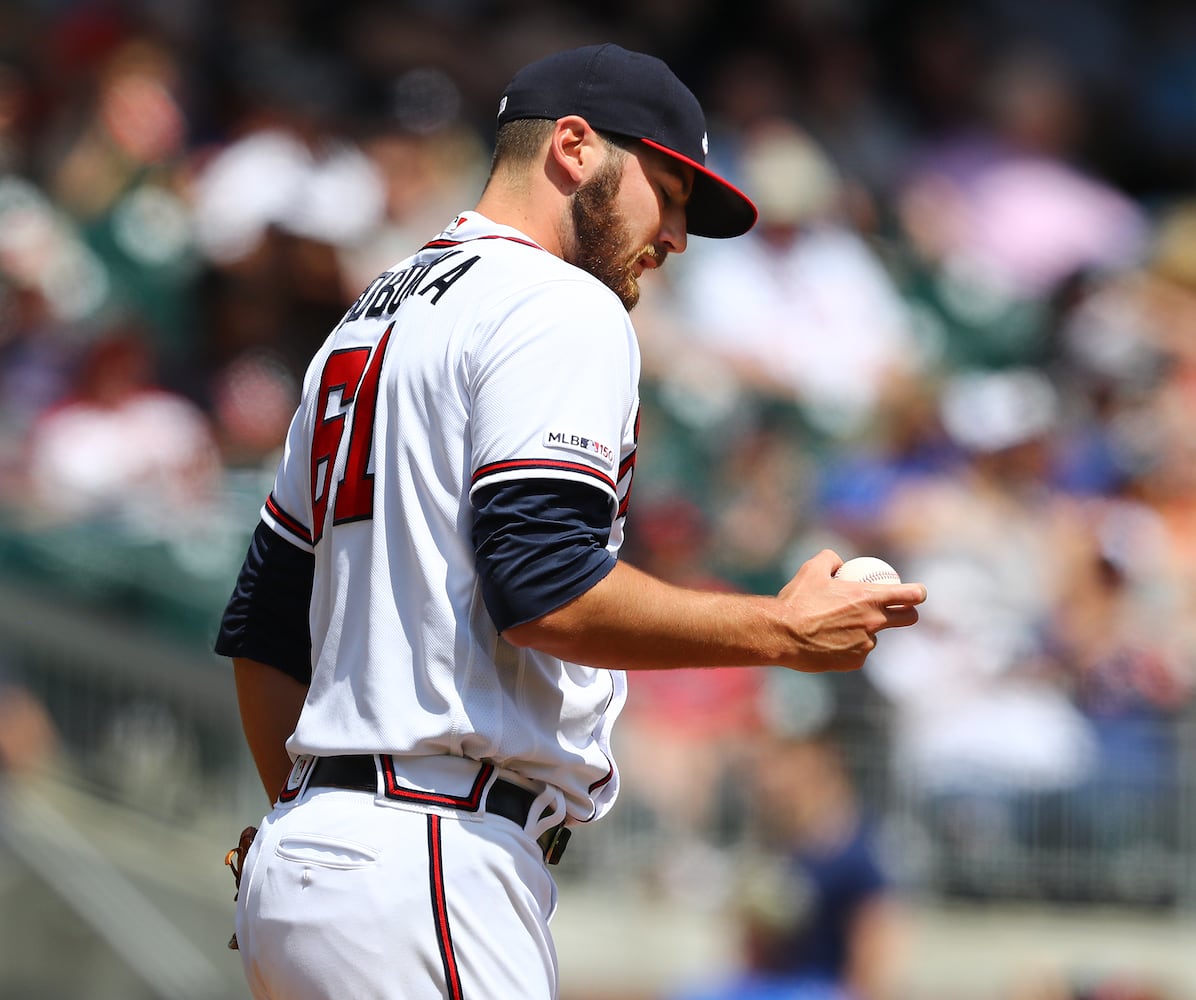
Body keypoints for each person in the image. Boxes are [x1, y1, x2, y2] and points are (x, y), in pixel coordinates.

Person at [215, 43, 927, 1000]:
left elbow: (265, 621)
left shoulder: (370, 316)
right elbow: (542, 585)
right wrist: (778, 631)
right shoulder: (559, 302)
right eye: (669, 190)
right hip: (435, 849)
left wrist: (316, 827)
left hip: (313, 864)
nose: (676, 232)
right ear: (576, 148)